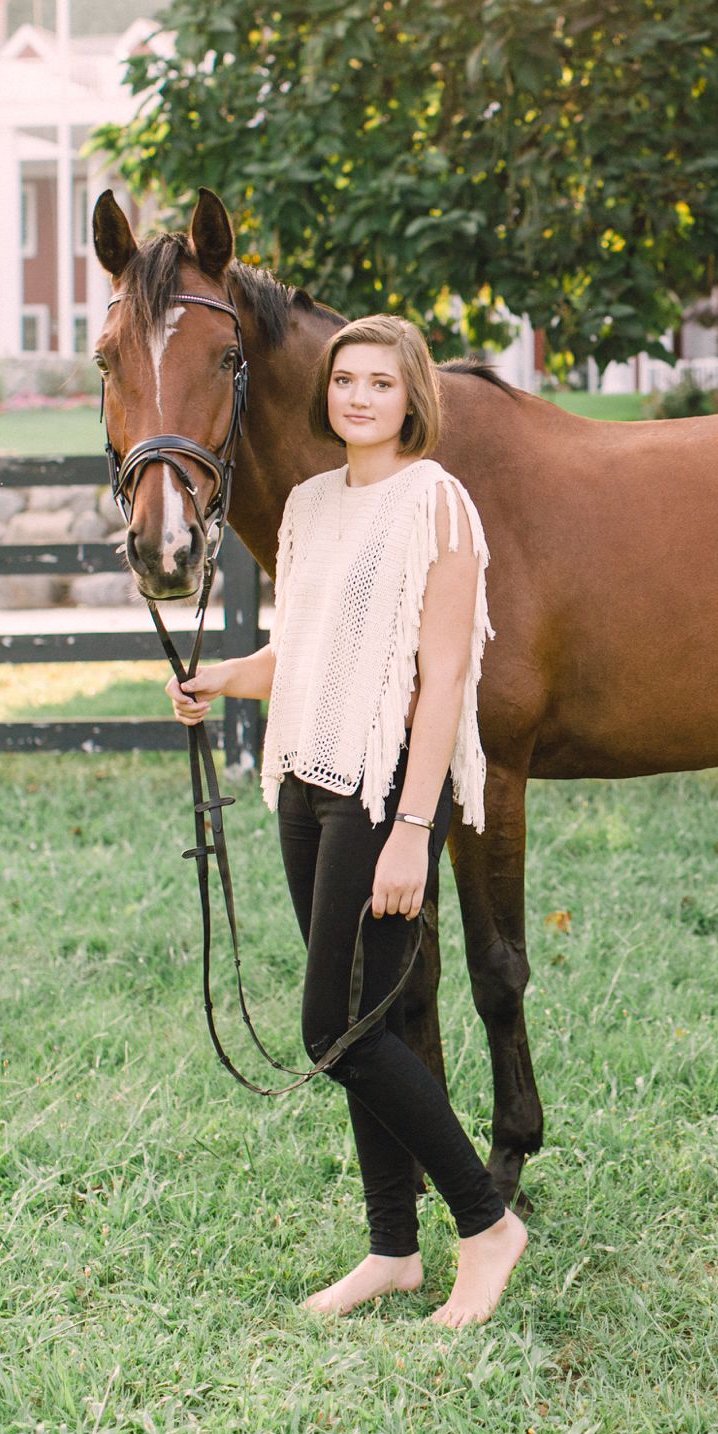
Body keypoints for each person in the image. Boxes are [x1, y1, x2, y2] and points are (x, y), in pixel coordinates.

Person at [166, 314, 527, 1326]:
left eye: (379, 381)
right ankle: (391, 1248)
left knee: (332, 1027)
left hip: (380, 792)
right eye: (344, 381)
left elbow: (445, 676)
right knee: (367, 1019)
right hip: (304, 779)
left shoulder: (438, 505)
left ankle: (487, 1222)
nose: (358, 396)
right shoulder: (315, 505)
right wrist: (223, 679)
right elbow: (308, 650)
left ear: (413, 396)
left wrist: (416, 827)